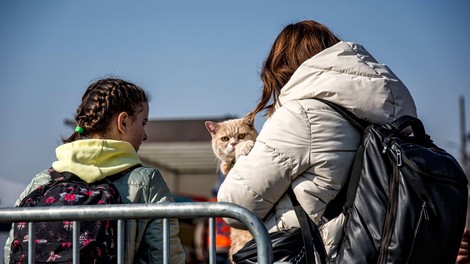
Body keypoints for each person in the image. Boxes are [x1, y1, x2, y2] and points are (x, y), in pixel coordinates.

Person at [217, 19, 427, 260]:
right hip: (379, 250)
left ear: (284, 67)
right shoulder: (391, 113)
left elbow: (236, 206)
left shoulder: (303, 115)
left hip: (317, 253)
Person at [3, 77, 186, 263]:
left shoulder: (41, 181)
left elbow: (11, 251)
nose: (145, 134)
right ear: (123, 122)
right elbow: (166, 257)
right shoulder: (147, 182)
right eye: (143, 123)